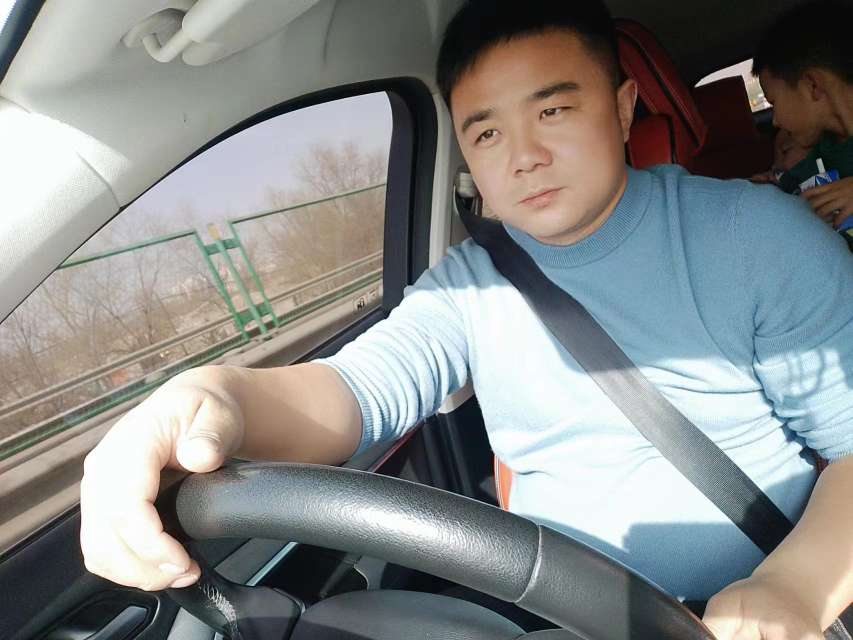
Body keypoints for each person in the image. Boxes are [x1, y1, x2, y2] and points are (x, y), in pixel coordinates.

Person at [80, 2, 853, 638]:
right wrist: (206, 397)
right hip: (550, 615)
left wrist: (795, 586)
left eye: (553, 110)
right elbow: (352, 390)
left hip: (749, 612)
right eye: (486, 133)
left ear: (622, 109)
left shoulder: (758, 238)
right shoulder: (467, 288)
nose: (523, 156)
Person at [753, 0, 853, 228]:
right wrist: (772, 189)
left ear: (812, 86)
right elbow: (793, 186)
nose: (775, 120)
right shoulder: (823, 151)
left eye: (774, 102)